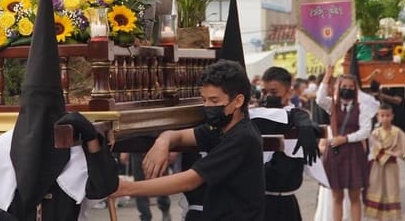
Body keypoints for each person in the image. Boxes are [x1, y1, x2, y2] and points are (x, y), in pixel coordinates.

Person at [113, 60, 265, 220]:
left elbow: (190, 180)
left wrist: (127, 188)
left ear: (238, 101)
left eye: (214, 101)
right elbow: (180, 136)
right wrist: (163, 141)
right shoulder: (220, 128)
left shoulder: (242, 137)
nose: (207, 106)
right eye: (204, 100)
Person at [251, 66, 320, 221]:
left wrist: (303, 119)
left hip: (286, 203)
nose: (268, 96)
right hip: (259, 202)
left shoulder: (296, 117)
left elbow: (290, 113)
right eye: (264, 92)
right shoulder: (253, 115)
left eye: (274, 92)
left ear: (289, 92)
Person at [316, 68, 376, 221]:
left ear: (355, 89)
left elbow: (365, 131)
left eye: (351, 87)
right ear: (338, 87)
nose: (347, 89)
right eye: (344, 86)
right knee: (337, 195)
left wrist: (346, 139)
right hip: (335, 154)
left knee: (355, 195)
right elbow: (319, 99)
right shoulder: (332, 105)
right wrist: (327, 76)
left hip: (354, 152)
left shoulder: (362, 107)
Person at [365, 103, 405, 220]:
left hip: (391, 168)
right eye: (382, 116)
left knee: (392, 191)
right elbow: (376, 150)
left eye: (387, 115)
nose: (385, 118)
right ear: (378, 117)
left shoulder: (397, 132)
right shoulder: (375, 133)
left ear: (392, 116)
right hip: (377, 167)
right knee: (377, 190)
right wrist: (394, 153)